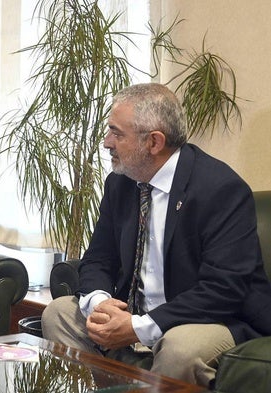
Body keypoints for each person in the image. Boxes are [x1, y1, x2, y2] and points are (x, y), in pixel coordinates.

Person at [42, 83, 271, 387]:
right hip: (132, 313)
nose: (107, 142)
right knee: (57, 313)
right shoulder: (120, 184)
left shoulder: (220, 189)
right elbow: (98, 258)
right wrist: (99, 303)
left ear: (153, 142)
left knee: (180, 349)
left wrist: (140, 327)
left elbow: (223, 288)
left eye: (117, 133)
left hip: (206, 318)